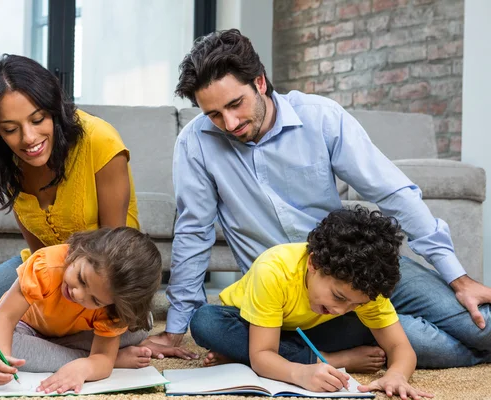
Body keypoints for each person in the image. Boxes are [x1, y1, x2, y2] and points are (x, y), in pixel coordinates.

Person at [148, 29, 491, 368]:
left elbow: (392, 192)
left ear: (260, 82)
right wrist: (176, 328)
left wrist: (457, 277)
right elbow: (195, 233)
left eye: (235, 104)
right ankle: (360, 338)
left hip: (358, 265)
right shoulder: (195, 144)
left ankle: (365, 333)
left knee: (480, 328)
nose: (230, 122)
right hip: (286, 297)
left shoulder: (321, 117)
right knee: (209, 325)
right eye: (215, 115)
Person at [0, 54, 192, 364]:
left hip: (100, 280)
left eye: (37, 120)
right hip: (47, 271)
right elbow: (38, 254)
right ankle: (100, 354)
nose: (29, 138)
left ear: (53, 109)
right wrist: (32, 298)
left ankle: (100, 354)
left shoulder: (100, 141)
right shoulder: (6, 160)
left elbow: (112, 250)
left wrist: (34, 312)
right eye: (10, 129)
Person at [191, 208, 432, 399]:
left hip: (309, 332)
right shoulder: (273, 269)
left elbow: (400, 348)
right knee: (206, 322)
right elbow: (262, 354)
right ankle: (332, 359)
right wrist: (300, 373)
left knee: (368, 331)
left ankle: (239, 354)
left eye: (356, 305)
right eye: (338, 297)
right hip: (248, 324)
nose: (341, 309)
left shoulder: (365, 288)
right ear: (313, 264)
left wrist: (397, 375)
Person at [0, 228, 162, 394]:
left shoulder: (113, 308)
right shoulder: (46, 265)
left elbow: (103, 356)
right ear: (82, 250)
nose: (78, 294)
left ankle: (89, 358)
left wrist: (86, 368)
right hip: (27, 328)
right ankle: (111, 358)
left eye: (95, 300)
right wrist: (0, 359)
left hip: (75, 334)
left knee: (140, 323)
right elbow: (5, 316)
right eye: (81, 278)